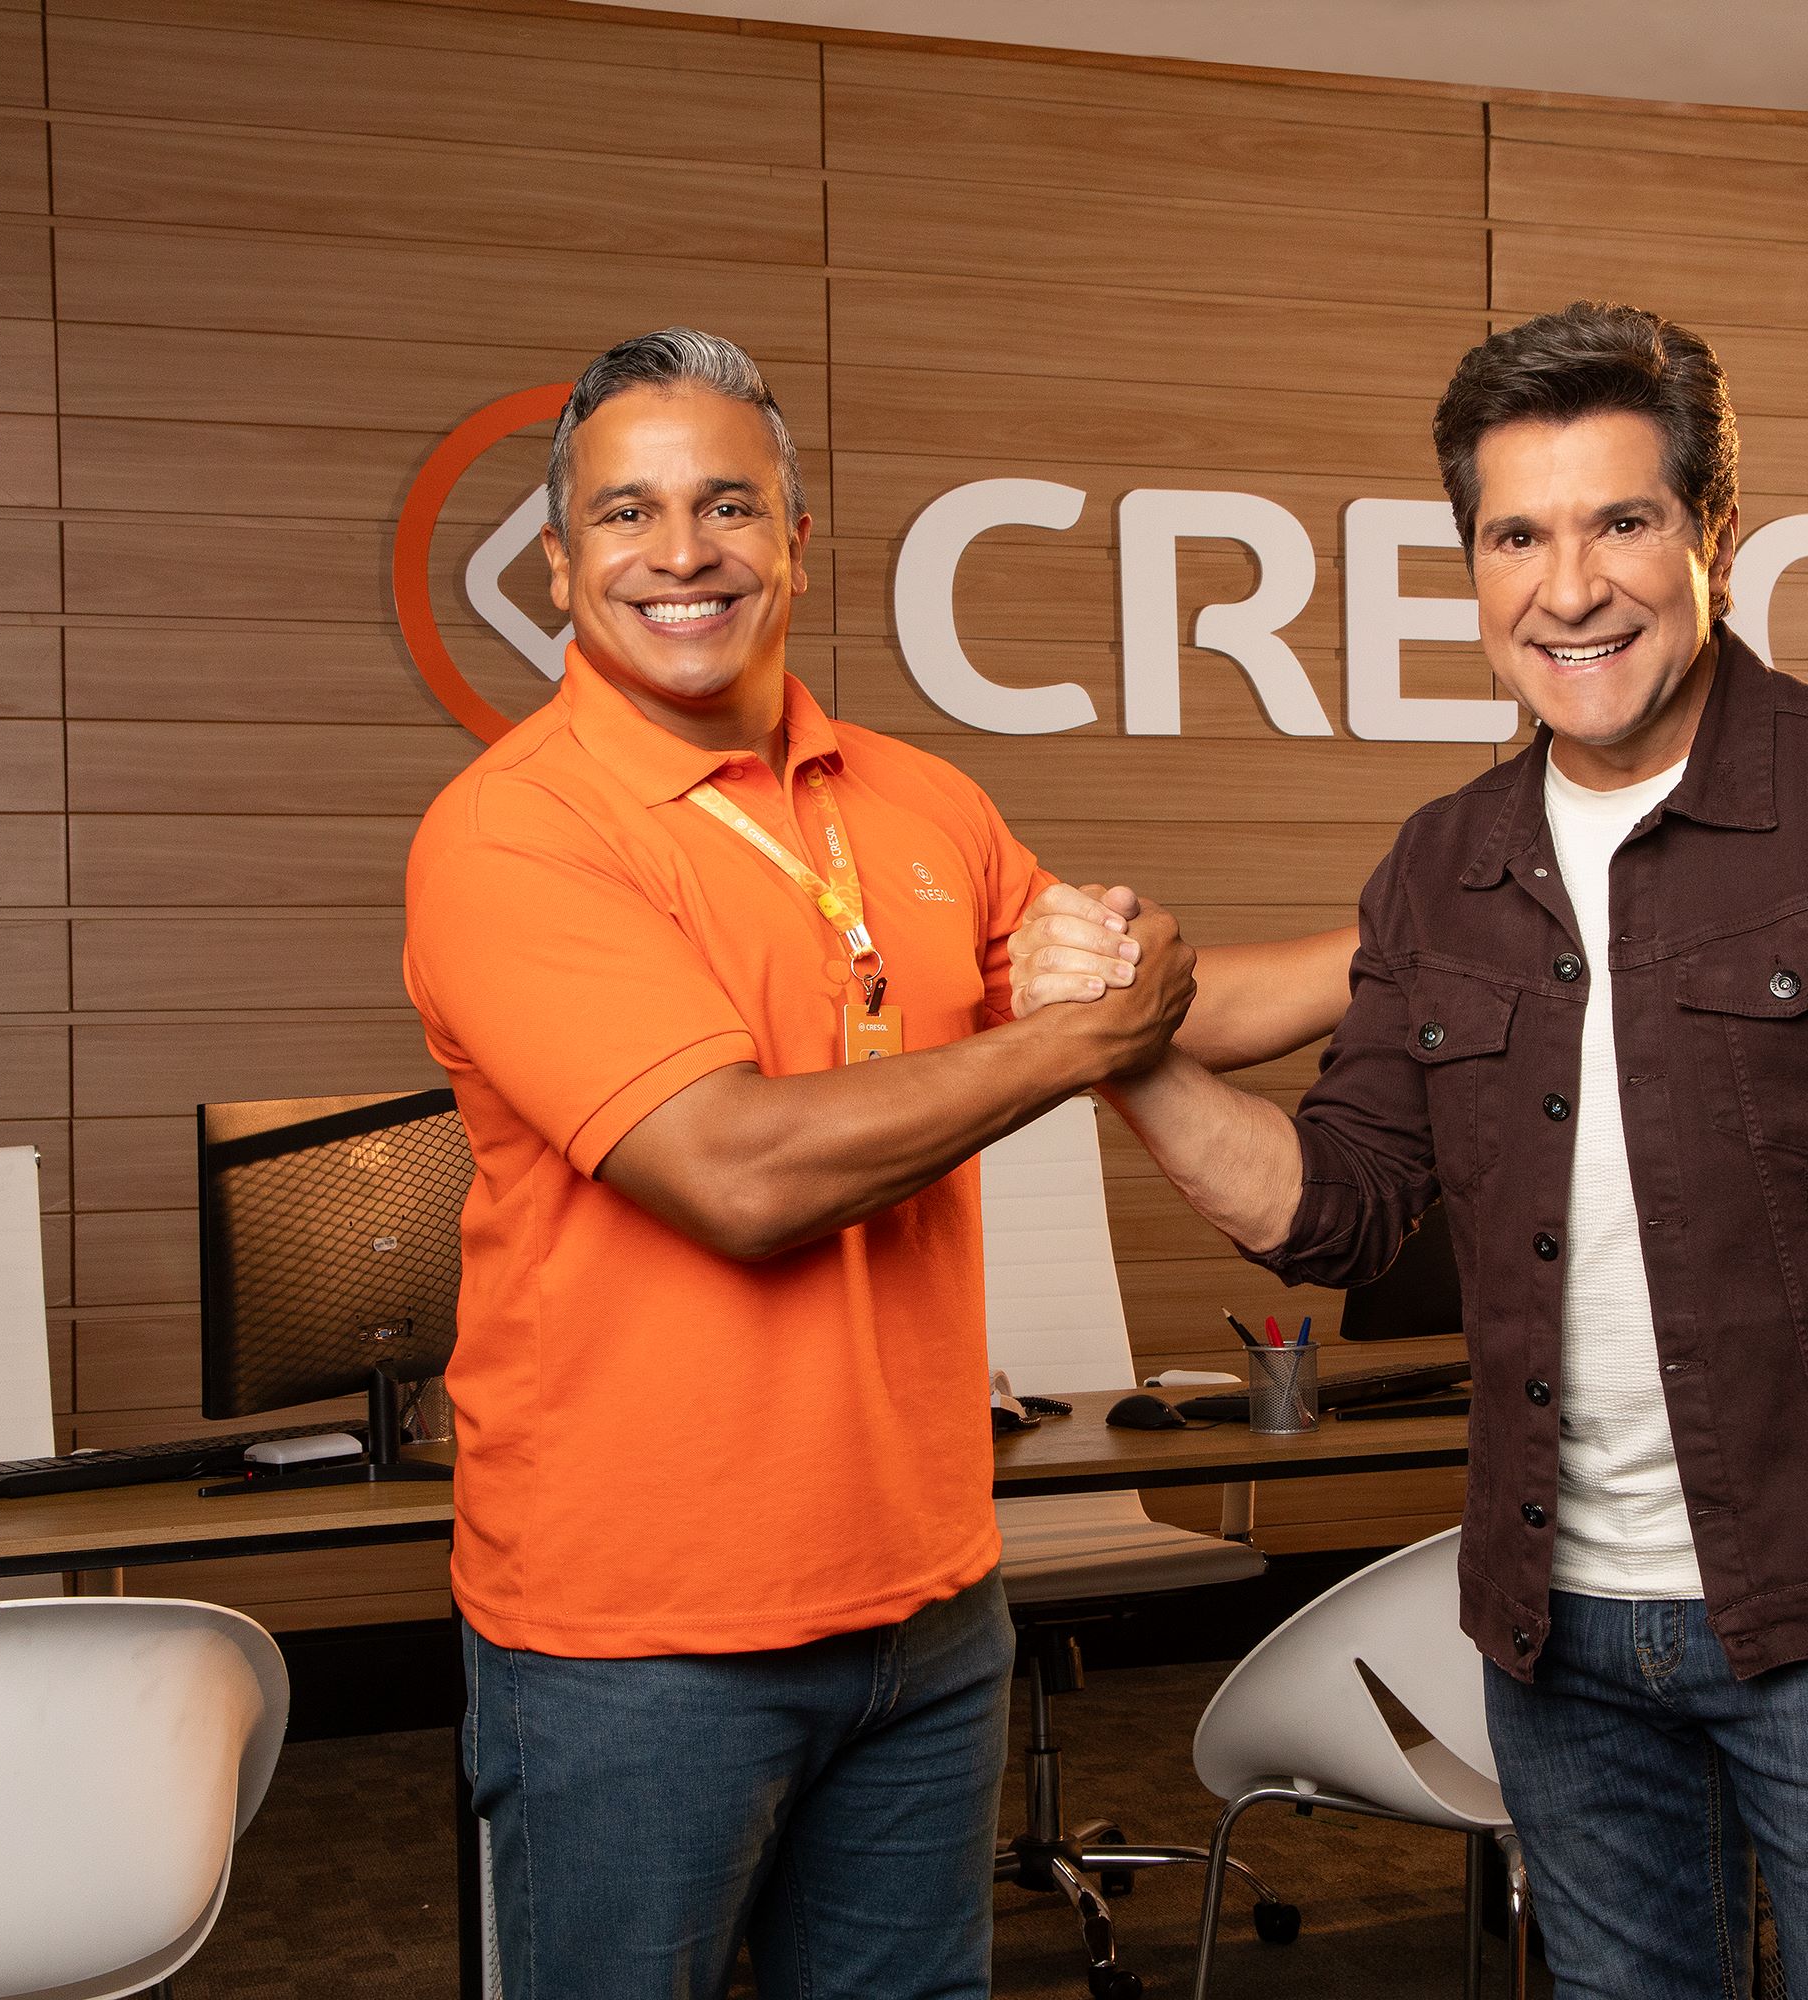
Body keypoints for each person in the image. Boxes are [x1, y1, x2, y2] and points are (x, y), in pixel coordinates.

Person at [1019, 301, 1808, 1997]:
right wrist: (1123, 1060)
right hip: (1558, 1641)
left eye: (1622, 522)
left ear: (1715, 537)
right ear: (1471, 567)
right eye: (1518, 537)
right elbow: (1339, 1210)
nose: (1570, 588)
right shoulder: (1442, 866)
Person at [401, 327, 1333, 2000]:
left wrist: (1463, 924)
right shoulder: (514, 829)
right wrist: (1077, 1044)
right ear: (555, 565)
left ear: (796, 542)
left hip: (926, 1609)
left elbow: (1162, 1014)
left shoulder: (917, 802)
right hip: (642, 1641)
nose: (682, 552)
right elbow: (737, 1173)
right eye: (626, 513)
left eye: (727, 505)